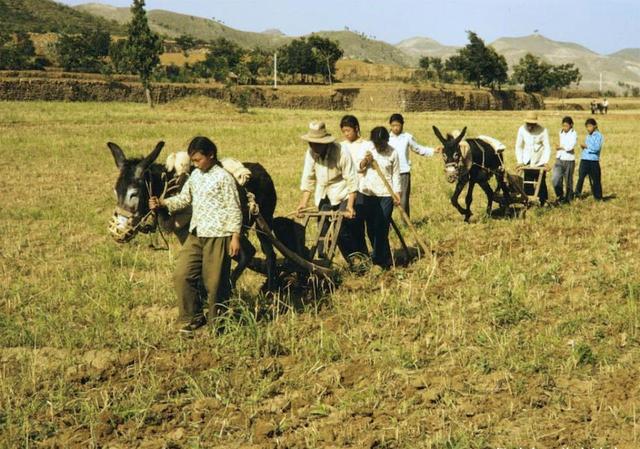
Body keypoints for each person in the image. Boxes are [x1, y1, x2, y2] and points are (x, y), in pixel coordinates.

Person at [149, 136, 242, 333]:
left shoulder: (224, 178)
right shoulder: (196, 176)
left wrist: (235, 237)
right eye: (193, 160)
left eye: (198, 160)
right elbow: (184, 199)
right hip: (196, 233)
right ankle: (192, 316)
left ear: (211, 155)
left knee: (215, 283)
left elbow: (234, 209)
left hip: (218, 236)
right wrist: (163, 202)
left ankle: (219, 324)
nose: (195, 164)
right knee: (181, 275)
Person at [297, 121, 359, 260]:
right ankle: (322, 260)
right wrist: (303, 203)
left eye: (316, 143)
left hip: (342, 192)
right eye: (310, 143)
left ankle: (354, 260)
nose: (313, 146)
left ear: (325, 142)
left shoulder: (341, 151)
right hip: (323, 193)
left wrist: (349, 206)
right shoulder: (311, 153)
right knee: (322, 230)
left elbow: (351, 180)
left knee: (341, 228)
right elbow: (308, 177)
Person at [354, 127, 401, 269]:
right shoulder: (367, 148)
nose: (379, 146)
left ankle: (377, 260)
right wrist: (364, 162)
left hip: (386, 194)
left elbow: (396, 174)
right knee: (371, 228)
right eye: (377, 144)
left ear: (387, 141)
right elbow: (357, 167)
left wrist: (397, 193)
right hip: (368, 193)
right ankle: (385, 256)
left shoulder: (393, 153)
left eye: (382, 143)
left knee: (382, 226)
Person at [388, 113, 438, 217]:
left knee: (403, 199)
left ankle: (405, 222)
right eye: (393, 125)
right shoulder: (387, 138)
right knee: (388, 199)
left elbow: (418, 149)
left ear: (402, 125)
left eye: (397, 125)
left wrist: (433, 150)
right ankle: (387, 223)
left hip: (403, 172)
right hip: (389, 172)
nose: (395, 128)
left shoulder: (407, 137)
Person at [515, 112, 551, 205]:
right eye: (528, 124)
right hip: (527, 160)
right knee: (527, 182)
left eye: (532, 125)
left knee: (541, 182)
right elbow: (519, 146)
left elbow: (547, 147)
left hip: (539, 160)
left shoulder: (543, 130)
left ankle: (543, 201)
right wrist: (520, 161)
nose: (530, 127)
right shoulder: (522, 130)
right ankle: (528, 202)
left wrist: (545, 161)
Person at [575, 118, 604, 200]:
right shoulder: (588, 136)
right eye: (587, 127)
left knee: (596, 179)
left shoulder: (599, 136)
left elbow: (596, 148)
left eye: (590, 126)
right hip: (584, 159)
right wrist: (584, 147)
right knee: (580, 178)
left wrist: (586, 146)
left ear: (595, 126)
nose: (588, 128)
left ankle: (598, 197)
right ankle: (577, 195)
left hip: (593, 161)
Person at [551, 116, 577, 203]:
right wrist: (560, 147)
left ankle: (569, 198)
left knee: (568, 180)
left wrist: (561, 147)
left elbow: (570, 147)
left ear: (571, 125)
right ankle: (560, 195)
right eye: (563, 125)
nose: (564, 128)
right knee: (555, 179)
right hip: (559, 158)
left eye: (566, 126)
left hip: (569, 159)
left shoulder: (573, 133)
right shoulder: (561, 132)